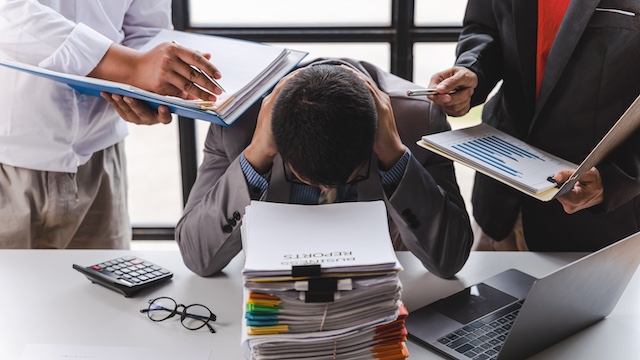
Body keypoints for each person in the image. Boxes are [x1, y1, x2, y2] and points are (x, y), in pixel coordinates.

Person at [175, 58, 473, 279]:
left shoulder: (420, 122)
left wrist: (395, 154)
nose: (326, 190)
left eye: (350, 178)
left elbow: (450, 260)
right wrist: (255, 155)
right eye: (303, 178)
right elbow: (197, 255)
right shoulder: (236, 124)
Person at [0, 0, 223, 249]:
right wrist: (133, 67)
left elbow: (146, 30)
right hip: (9, 162)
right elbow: (8, 14)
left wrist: (149, 89)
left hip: (101, 161)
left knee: (105, 286)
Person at [426, 0, 640, 252]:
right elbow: (485, 26)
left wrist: (617, 180)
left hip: (593, 225)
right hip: (499, 203)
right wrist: (473, 70)